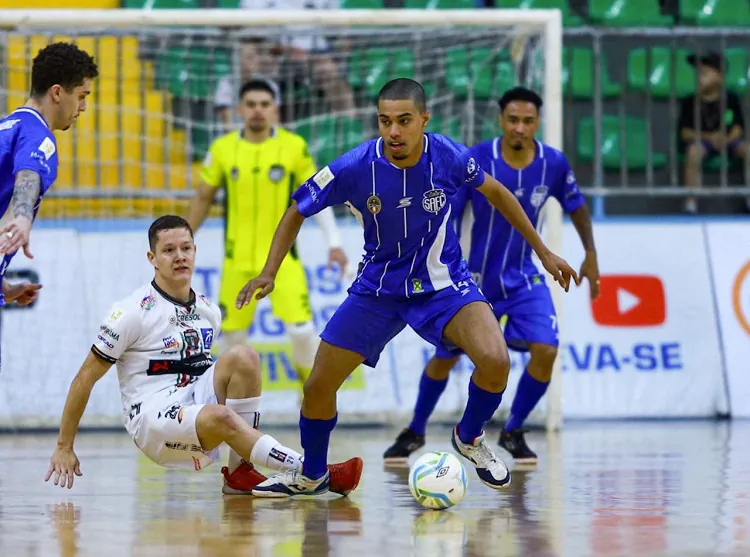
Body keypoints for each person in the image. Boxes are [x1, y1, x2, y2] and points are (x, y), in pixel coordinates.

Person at [236, 78, 580, 498]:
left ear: (424, 120)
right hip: (378, 290)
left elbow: (498, 192)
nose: (393, 132)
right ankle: (311, 474)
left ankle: (469, 437)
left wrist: (543, 252)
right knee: (318, 387)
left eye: (403, 121)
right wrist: (270, 271)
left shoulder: (449, 155)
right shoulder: (355, 166)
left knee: (495, 360)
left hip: (443, 285)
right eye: (384, 121)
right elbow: (297, 208)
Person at [44, 215, 362, 495]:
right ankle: (315, 470)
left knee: (243, 357)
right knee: (221, 416)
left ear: (195, 251)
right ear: (152, 258)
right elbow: (85, 376)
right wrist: (64, 445)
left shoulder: (208, 310)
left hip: (192, 402)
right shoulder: (131, 313)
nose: (179, 257)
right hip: (153, 420)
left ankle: (239, 473)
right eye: (169, 251)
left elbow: (205, 371)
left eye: (186, 248)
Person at [384, 87, 600, 465]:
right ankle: (415, 429)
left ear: (537, 123)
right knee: (445, 358)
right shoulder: (477, 158)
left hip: (523, 279)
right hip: (475, 280)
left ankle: (514, 430)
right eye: (512, 120)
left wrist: (591, 253)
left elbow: (577, 207)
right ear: (501, 120)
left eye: (528, 121)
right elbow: (447, 212)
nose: (519, 128)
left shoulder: (554, 163)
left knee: (546, 349)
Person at [188, 79, 348, 383]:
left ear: (275, 110)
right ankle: (230, 417)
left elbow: (317, 195)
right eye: (250, 105)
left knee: (302, 333)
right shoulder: (222, 149)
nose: (257, 111)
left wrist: (334, 243)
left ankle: (310, 400)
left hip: (284, 262)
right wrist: (183, 240)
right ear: (239, 110)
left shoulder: (293, 147)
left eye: (264, 104)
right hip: (238, 263)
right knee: (231, 341)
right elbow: (203, 198)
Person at [0, 42, 98, 309]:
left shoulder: (7, 127)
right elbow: (28, 173)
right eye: (81, 95)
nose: (84, 106)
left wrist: (5, 288)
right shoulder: (39, 136)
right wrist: (22, 217)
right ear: (57, 92)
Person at [679, 51, 748, 214]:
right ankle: (691, 204)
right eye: (699, 73)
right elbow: (685, 133)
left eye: (706, 72)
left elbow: (738, 126)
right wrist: (710, 137)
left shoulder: (731, 98)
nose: (700, 76)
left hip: (729, 140)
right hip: (703, 142)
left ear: (720, 77)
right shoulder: (690, 101)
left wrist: (727, 139)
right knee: (693, 152)